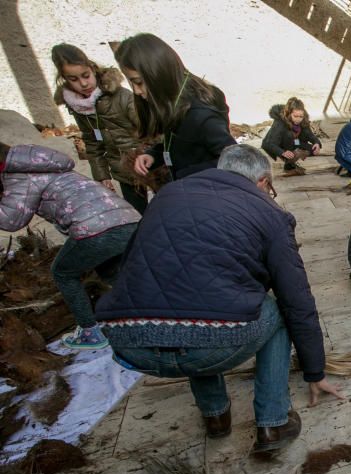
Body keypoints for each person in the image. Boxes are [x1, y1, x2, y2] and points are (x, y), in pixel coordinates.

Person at [95, 145, 343, 454]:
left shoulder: (168, 194)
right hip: (205, 343)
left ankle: (215, 416)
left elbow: (130, 263)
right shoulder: (269, 214)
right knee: (276, 312)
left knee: (191, 299)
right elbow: (297, 301)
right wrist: (314, 371)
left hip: (129, 339)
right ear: (264, 181)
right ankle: (273, 421)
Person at [0, 142, 140, 349]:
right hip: (128, 219)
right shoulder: (41, 163)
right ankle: (148, 316)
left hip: (96, 228)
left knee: (63, 273)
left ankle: (90, 332)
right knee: (111, 271)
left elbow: (11, 221)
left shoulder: (20, 176)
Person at [115, 33, 236, 181]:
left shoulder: (200, 114)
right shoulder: (174, 101)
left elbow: (234, 160)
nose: (136, 91)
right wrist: (154, 155)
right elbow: (180, 145)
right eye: (131, 83)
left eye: (139, 82)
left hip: (208, 190)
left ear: (157, 73)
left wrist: (186, 175)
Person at [50, 43, 148, 213]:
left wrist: (154, 158)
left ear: (92, 69)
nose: (83, 83)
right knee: (140, 215)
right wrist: (102, 176)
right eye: (74, 79)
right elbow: (92, 142)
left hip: (148, 162)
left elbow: (150, 131)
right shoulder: (77, 105)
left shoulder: (122, 97)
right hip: (123, 170)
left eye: (86, 75)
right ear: (64, 79)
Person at [261, 97, 322, 175]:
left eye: (301, 116)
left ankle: (295, 152)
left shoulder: (304, 120)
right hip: (277, 144)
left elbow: (310, 134)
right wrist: (282, 152)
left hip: (294, 141)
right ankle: (288, 163)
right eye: (295, 116)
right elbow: (269, 143)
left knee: (314, 150)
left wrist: (316, 143)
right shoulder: (280, 123)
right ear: (289, 114)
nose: (298, 119)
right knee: (289, 136)